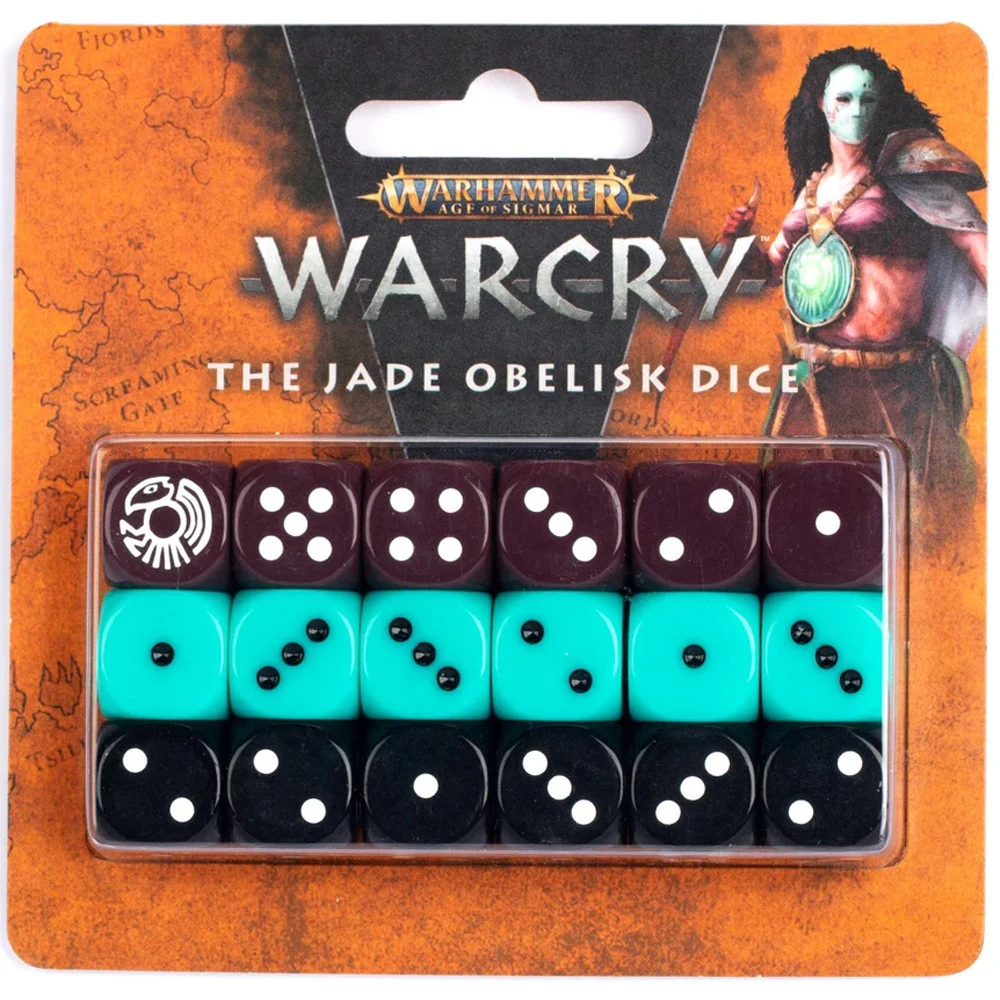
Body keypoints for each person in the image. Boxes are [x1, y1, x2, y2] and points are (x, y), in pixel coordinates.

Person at [724, 47, 986, 494]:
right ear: (821, 104)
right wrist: (736, 241)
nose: (857, 110)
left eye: (868, 99)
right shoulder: (811, 189)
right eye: (844, 99)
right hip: (812, 382)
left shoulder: (910, 173)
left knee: (910, 514)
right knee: (794, 507)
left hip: (893, 386)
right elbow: (771, 272)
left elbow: (974, 243)